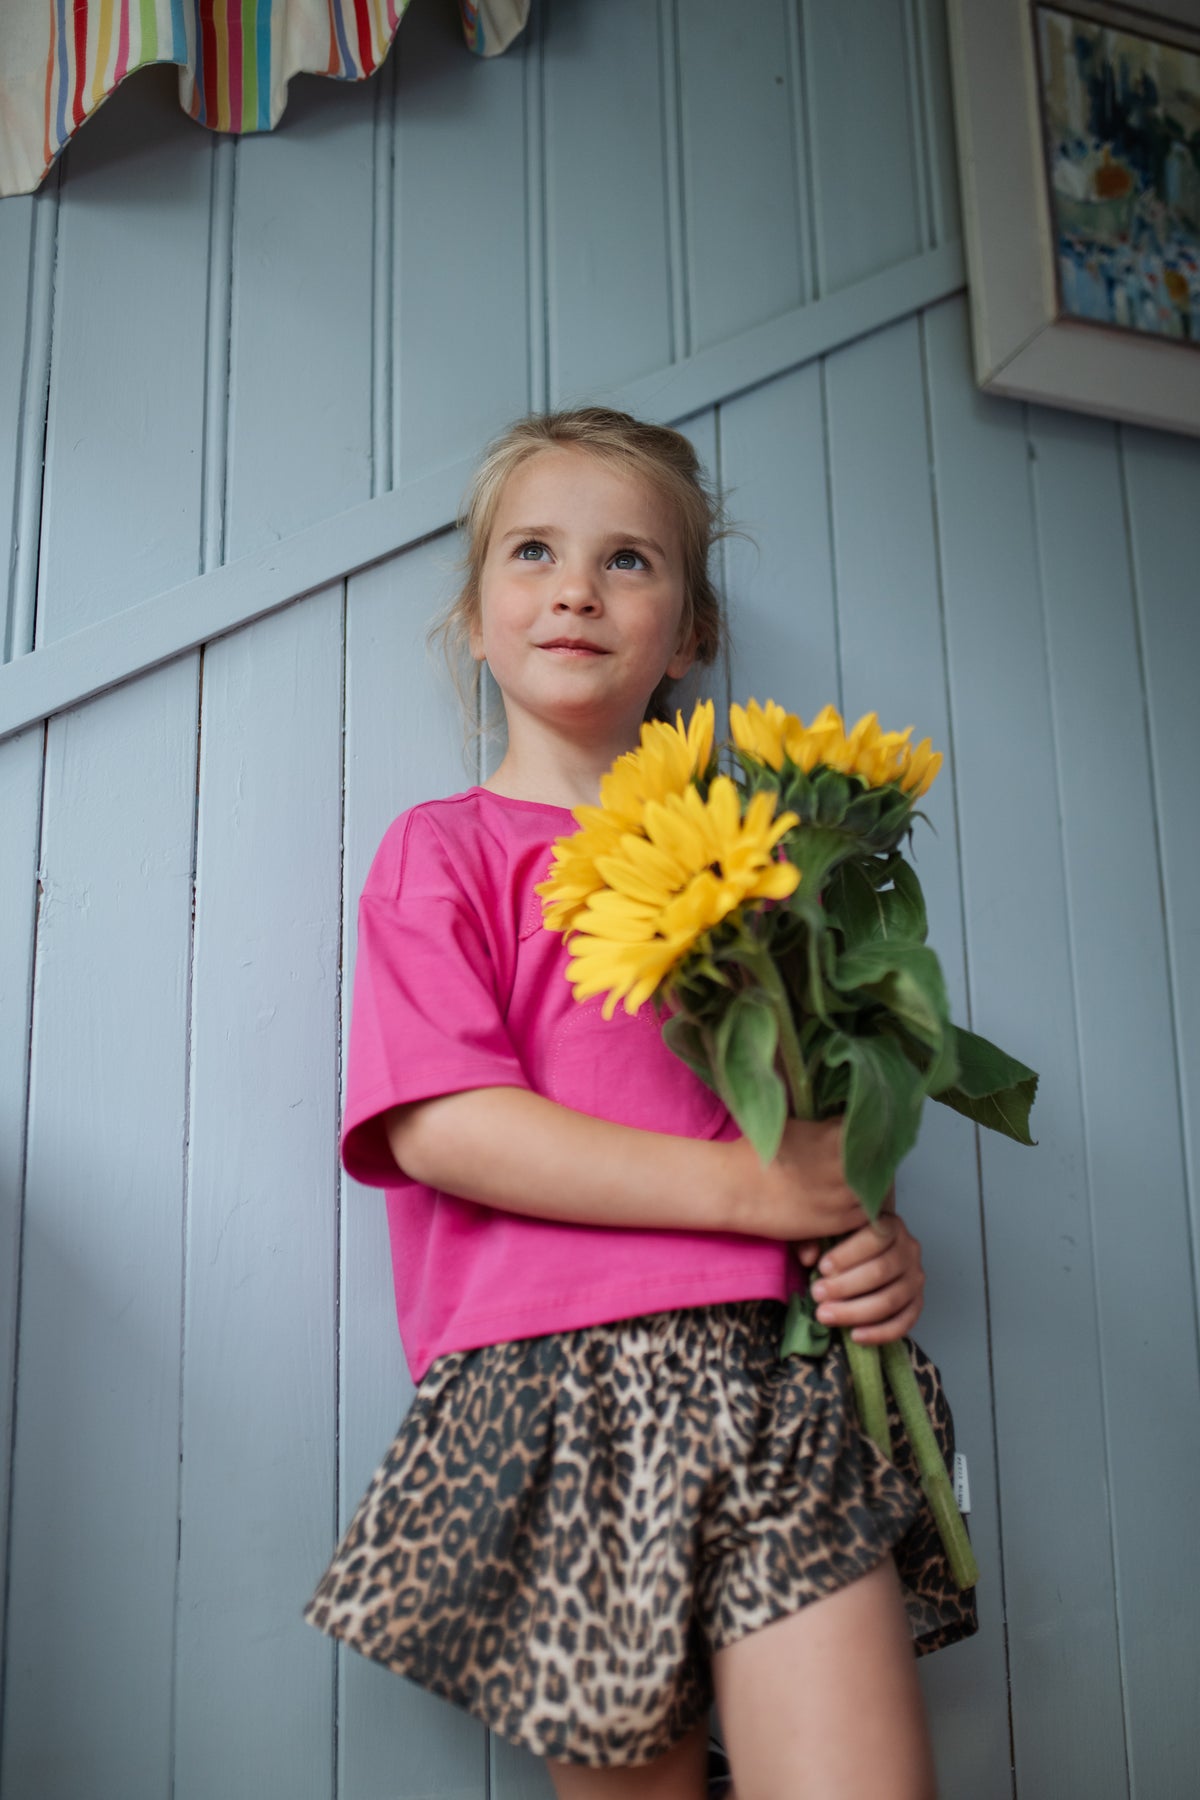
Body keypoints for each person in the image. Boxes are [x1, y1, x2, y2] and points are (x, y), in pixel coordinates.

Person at [304, 408, 976, 1800]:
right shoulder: (448, 853)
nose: (575, 588)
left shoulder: (773, 876)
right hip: (563, 1395)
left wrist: (872, 1242)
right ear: (477, 618)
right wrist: (757, 1194)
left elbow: (826, 1136)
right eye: (534, 552)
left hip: (784, 1375)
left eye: (630, 561)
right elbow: (445, 1124)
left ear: (691, 635)